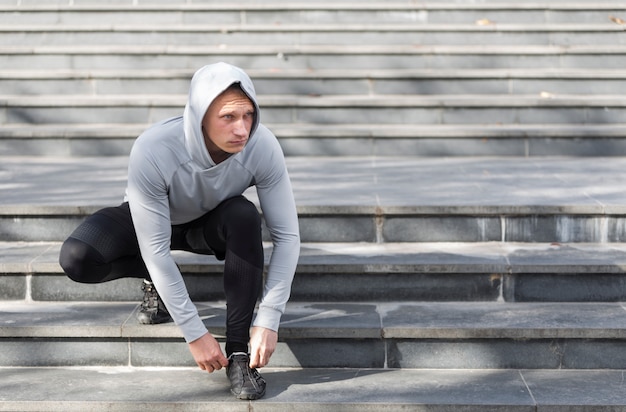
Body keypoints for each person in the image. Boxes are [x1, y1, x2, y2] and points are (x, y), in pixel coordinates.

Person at [58, 62, 301, 400]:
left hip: (208, 224)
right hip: (151, 220)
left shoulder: (263, 146)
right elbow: (155, 249)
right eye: (228, 117)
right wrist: (194, 333)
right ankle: (153, 282)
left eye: (248, 115)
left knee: (245, 216)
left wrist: (269, 318)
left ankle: (239, 355)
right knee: (77, 258)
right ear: (200, 115)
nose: (242, 129)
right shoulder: (154, 147)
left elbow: (288, 237)